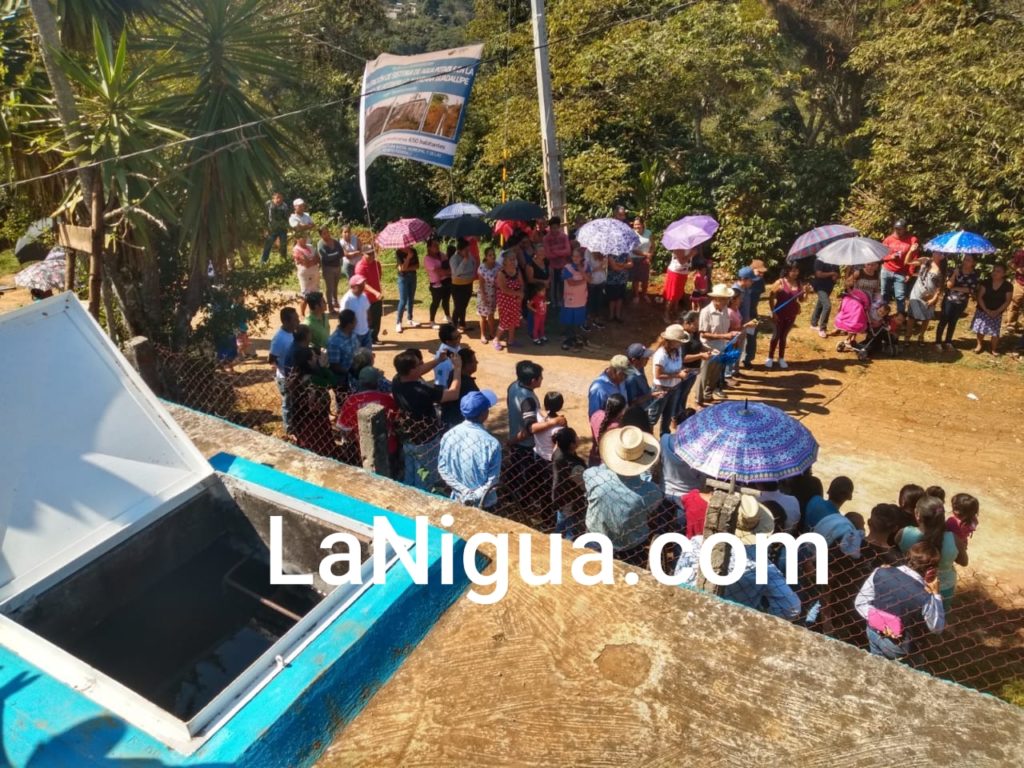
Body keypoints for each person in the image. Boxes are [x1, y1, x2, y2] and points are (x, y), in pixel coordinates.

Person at [583, 426, 663, 566]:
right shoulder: (652, 492)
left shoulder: (591, 476)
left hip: (595, 542)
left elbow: (600, 471)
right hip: (630, 549)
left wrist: (612, 462)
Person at [855, 541, 945, 660]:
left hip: (873, 631)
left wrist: (882, 622)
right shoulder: (925, 596)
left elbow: (860, 602)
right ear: (931, 571)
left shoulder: (880, 572)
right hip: (900, 646)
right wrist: (936, 596)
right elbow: (937, 628)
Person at [392, 349, 462, 491]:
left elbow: (418, 371)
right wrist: (458, 369)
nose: (422, 366)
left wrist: (438, 360)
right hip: (425, 441)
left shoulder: (397, 380)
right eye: (418, 365)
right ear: (411, 371)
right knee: (425, 476)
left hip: (408, 436)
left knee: (410, 471)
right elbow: (453, 394)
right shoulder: (420, 391)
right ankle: (421, 497)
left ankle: (408, 492)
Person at [722, 496, 801, 620]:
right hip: (737, 618)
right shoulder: (765, 569)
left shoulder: (697, 545)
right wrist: (759, 617)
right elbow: (792, 608)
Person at [896, 494, 967, 607]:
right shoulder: (953, 539)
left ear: (917, 514)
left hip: (909, 583)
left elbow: (896, 553)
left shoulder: (904, 533)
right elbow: (964, 562)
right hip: (942, 588)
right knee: (939, 617)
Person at [438, 390, 502, 510]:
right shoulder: (491, 443)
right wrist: (473, 496)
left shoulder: (449, 435)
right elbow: (493, 481)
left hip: (457, 498)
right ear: (484, 414)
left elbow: (443, 469)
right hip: (485, 503)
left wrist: (464, 492)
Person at [337, 366, 400, 473]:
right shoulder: (387, 398)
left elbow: (344, 429)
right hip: (389, 446)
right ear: (377, 382)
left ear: (360, 382)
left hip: (361, 450)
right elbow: (396, 420)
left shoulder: (352, 400)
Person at [287, 344, 338, 457]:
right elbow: (332, 381)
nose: (317, 359)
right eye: (315, 357)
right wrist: (324, 367)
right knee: (321, 448)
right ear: (309, 361)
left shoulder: (296, 377)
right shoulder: (313, 379)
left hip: (303, 419)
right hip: (317, 420)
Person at [652, 324, 697, 434]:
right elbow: (658, 375)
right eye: (679, 341)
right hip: (661, 389)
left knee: (668, 415)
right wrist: (678, 375)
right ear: (671, 341)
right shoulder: (660, 355)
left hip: (674, 388)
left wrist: (682, 371)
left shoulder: (678, 349)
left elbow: (678, 365)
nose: (681, 343)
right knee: (653, 417)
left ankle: (664, 436)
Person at [697, 284, 736, 401]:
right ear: (716, 299)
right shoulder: (706, 312)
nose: (727, 301)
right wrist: (724, 336)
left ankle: (707, 394)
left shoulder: (725, 310)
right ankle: (698, 399)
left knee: (715, 375)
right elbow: (703, 334)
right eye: (725, 299)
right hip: (708, 348)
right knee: (704, 375)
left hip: (721, 347)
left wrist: (730, 335)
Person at [933, 253, 978, 351]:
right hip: (949, 300)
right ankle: (937, 342)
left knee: (953, 322)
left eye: (968, 260)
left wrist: (956, 288)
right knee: (943, 321)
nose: (965, 262)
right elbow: (949, 285)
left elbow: (971, 290)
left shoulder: (974, 274)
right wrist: (954, 274)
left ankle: (948, 341)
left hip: (962, 302)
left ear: (974, 263)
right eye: (965, 259)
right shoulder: (955, 270)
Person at [765, 264, 806, 369]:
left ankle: (781, 358)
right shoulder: (780, 282)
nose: (796, 273)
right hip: (779, 313)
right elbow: (771, 297)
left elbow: (801, 299)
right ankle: (770, 357)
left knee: (783, 336)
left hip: (792, 313)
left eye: (797, 271)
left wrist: (807, 293)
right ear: (787, 271)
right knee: (776, 335)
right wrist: (773, 312)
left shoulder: (799, 283)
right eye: (793, 271)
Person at [881, 218, 922, 317]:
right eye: (896, 229)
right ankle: (883, 315)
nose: (897, 231)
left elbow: (914, 258)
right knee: (884, 294)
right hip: (886, 269)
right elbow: (881, 255)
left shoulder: (912, 240)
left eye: (900, 229)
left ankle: (900, 317)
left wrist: (909, 273)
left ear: (905, 229)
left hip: (901, 272)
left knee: (900, 296)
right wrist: (891, 257)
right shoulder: (888, 239)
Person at [552, 428, 587, 540]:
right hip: (571, 502)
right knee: (571, 532)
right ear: (572, 445)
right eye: (576, 437)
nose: (578, 438)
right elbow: (584, 484)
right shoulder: (574, 465)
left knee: (560, 525)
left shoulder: (558, 452)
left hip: (560, 498)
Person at [269, 307, 300, 434]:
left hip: (295, 375)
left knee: (296, 402)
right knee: (288, 404)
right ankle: (289, 430)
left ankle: (297, 426)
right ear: (286, 322)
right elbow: (271, 359)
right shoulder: (279, 338)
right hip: (285, 377)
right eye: (295, 319)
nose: (298, 320)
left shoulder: (294, 332)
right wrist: (284, 373)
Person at [971, 263, 1012, 354]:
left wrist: (997, 311)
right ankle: (979, 345)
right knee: (981, 329)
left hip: (997, 312)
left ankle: (994, 349)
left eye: (998, 271)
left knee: (995, 332)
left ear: (1004, 274)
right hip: (983, 310)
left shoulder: (1008, 286)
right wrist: (986, 310)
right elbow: (979, 297)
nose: (994, 273)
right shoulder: (986, 282)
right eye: (994, 270)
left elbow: (1007, 301)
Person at [905, 252, 945, 346]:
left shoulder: (943, 268)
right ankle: (907, 337)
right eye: (936, 252)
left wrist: (934, 298)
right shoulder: (925, 260)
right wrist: (911, 250)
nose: (937, 254)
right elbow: (908, 262)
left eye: (940, 254)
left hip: (929, 297)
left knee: (926, 318)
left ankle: (921, 337)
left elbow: (940, 286)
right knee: (911, 317)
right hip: (916, 293)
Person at [440, 346, 481, 428]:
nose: (477, 362)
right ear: (467, 365)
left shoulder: (453, 373)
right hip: (458, 422)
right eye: (474, 361)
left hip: (448, 418)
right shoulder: (469, 386)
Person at [495, 251, 525, 351]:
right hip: (505, 300)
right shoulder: (501, 273)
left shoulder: (517, 271)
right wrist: (518, 294)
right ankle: (496, 339)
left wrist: (520, 296)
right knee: (504, 321)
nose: (513, 261)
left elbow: (521, 284)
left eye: (514, 259)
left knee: (514, 319)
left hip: (515, 300)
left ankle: (511, 340)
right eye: (510, 259)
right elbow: (504, 289)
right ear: (505, 261)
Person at [560, 247, 589, 350]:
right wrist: (584, 280)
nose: (575, 258)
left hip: (581, 298)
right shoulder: (567, 268)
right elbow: (571, 283)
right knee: (569, 319)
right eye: (573, 256)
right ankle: (568, 338)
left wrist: (581, 270)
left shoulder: (585, 266)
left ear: (582, 257)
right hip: (570, 298)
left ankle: (576, 337)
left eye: (577, 256)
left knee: (578, 318)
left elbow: (589, 279)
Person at [354, 246, 384, 344]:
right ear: (363, 254)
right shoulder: (360, 267)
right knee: (367, 320)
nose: (372, 256)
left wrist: (377, 292)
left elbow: (379, 277)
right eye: (369, 254)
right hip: (366, 298)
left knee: (377, 318)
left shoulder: (377, 264)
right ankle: (366, 339)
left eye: (373, 253)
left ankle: (374, 338)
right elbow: (364, 284)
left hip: (377, 297)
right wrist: (375, 292)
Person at [588, 393, 627, 466]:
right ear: (621, 411)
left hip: (593, 459)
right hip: (608, 463)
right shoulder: (617, 427)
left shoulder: (596, 414)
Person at [742, 260, 767, 369]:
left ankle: (748, 360)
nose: (761, 274)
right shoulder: (745, 281)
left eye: (763, 272)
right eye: (759, 272)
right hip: (742, 313)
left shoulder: (761, 282)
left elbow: (759, 296)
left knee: (752, 337)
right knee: (740, 338)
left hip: (753, 313)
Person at [327, 309, 359, 393]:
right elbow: (334, 366)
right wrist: (351, 372)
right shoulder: (334, 341)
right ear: (349, 324)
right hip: (342, 382)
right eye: (355, 320)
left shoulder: (353, 334)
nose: (357, 322)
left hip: (354, 376)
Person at [449, 238, 477, 331]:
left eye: (468, 249)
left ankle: (462, 324)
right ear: (460, 250)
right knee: (458, 306)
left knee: (464, 305)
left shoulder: (470, 255)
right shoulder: (454, 258)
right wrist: (464, 260)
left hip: (468, 283)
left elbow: (474, 263)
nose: (468, 252)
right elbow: (456, 272)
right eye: (466, 250)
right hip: (458, 286)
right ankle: (453, 324)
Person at [544, 216, 572, 308]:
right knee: (553, 285)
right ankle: (554, 301)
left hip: (563, 265)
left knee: (563, 284)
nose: (554, 230)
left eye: (556, 228)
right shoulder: (546, 238)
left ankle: (562, 300)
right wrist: (561, 253)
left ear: (559, 227)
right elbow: (548, 255)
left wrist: (555, 251)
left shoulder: (564, 236)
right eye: (552, 228)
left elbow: (568, 251)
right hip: (552, 266)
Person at [810, 257, 841, 339]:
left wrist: (836, 277)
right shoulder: (820, 259)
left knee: (820, 303)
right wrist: (832, 274)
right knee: (827, 305)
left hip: (829, 286)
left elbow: (837, 274)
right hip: (819, 286)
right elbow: (818, 274)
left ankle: (813, 323)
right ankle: (822, 328)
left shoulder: (835, 261)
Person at [341, 274, 373, 349]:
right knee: (355, 357)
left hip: (366, 332)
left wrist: (369, 322)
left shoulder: (364, 296)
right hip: (354, 334)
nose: (362, 287)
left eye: (363, 285)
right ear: (352, 286)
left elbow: (367, 309)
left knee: (367, 356)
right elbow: (343, 318)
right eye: (360, 285)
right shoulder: (346, 300)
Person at [532, 392, 566, 462]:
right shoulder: (559, 427)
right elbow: (557, 447)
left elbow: (540, 410)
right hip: (549, 458)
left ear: (545, 404)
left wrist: (547, 418)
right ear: (560, 406)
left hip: (537, 453)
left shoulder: (538, 415)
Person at [292, 235, 320, 317]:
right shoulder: (296, 249)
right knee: (305, 295)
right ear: (297, 238)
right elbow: (306, 264)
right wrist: (312, 261)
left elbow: (318, 259)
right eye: (301, 236)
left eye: (304, 236)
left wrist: (310, 261)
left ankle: (314, 312)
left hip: (314, 273)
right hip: (305, 275)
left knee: (315, 293)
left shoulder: (310, 246)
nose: (304, 238)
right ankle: (302, 314)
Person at [394, 246, 419, 333]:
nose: (410, 244)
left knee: (411, 299)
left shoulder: (413, 250)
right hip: (403, 279)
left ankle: (410, 319)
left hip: (413, 277)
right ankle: (398, 322)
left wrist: (405, 268)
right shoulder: (398, 252)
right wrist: (408, 257)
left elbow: (417, 266)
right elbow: (402, 268)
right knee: (403, 300)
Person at [476, 246, 499, 343]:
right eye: (490, 255)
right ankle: (482, 335)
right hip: (484, 293)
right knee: (483, 316)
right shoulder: (482, 267)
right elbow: (481, 284)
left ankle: (492, 333)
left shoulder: (498, 266)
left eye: (493, 254)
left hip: (494, 293)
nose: (492, 256)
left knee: (491, 315)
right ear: (486, 256)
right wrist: (484, 296)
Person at [261, 191, 290, 263]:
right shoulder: (268, 204)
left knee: (283, 246)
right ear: (273, 198)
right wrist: (265, 229)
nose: (279, 199)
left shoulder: (284, 206)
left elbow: (286, 218)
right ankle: (263, 262)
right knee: (268, 246)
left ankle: (283, 261)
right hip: (271, 229)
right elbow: (265, 217)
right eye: (277, 197)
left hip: (282, 229)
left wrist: (287, 226)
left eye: (281, 197)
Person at [630, 217, 652, 303]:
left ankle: (644, 294)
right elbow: (633, 249)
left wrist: (649, 255)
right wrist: (646, 254)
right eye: (635, 225)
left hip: (645, 259)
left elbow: (653, 245)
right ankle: (636, 295)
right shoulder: (632, 234)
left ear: (642, 224)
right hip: (634, 259)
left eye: (638, 224)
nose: (636, 226)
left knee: (645, 279)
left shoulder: (648, 232)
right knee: (635, 279)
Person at [605, 250, 630, 323]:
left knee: (620, 298)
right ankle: (611, 315)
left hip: (622, 280)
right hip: (612, 281)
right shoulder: (609, 254)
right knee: (612, 299)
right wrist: (625, 266)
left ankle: (618, 315)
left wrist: (621, 265)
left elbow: (631, 264)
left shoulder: (625, 252)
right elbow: (614, 267)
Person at [585, 250, 608, 329]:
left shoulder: (604, 251)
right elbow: (586, 266)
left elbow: (605, 267)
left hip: (601, 280)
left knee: (599, 301)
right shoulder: (588, 251)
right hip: (592, 280)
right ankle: (588, 321)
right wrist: (596, 268)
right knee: (590, 301)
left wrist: (603, 264)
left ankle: (596, 320)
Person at [1007, 248, 1024, 332]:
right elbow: (1010, 263)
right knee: (1015, 303)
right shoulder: (1020, 253)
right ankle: (1011, 324)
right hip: (1020, 282)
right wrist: (1018, 269)